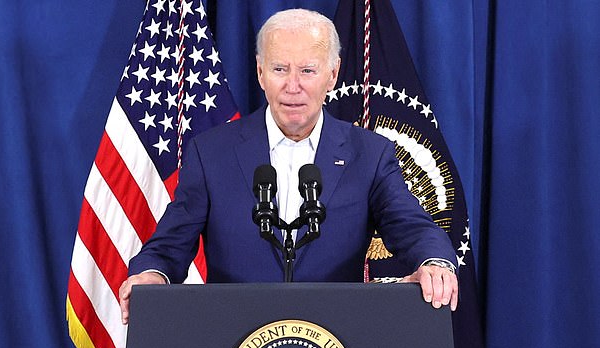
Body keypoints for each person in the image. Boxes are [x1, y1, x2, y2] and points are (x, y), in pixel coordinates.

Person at [119, 8, 458, 325]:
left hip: (336, 338)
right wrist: (151, 274)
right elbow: (169, 244)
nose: (292, 86)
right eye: (280, 69)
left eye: (308, 71)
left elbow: (412, 226)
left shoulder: (369, 153)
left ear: (332, 74)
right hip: (233, 340)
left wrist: (435, 262)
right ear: (260, 72)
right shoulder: (211, 153)